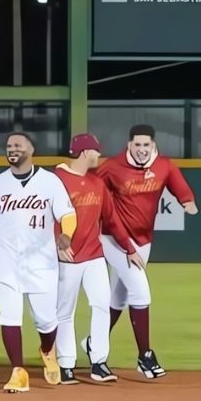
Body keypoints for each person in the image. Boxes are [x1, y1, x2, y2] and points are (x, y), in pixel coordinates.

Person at [94, 124, 198, 379]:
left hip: (144, 239)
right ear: (129, 145)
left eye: (146, 145)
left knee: (118, 298)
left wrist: (187, 200)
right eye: (137, 145)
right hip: (113, 238)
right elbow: (93, 189)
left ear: (153, 145)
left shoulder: (163, 165)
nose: (141, 149)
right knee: (140, 292)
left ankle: (94, 343)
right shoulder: (112, 166)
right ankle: (145, 356)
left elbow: (179, 185)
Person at [0, 132, 76, 393]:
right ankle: (18, 372)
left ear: (31, 149)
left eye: (18, 145)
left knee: (46, 321)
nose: (13, 149)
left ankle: (46, 349)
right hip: (6, 261)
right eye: (9, 145)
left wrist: (66, 235)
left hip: (41, 262)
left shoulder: (50, 182)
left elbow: (68, 214)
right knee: (9, 316)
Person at [52, 133, 133, 384]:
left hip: (94, 256)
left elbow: (111, 220)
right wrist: (57, 242)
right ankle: (65, 364)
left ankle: (99, 362)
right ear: (86, 152)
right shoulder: (56, 180)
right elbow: (45, 215)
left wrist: (129, 248)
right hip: (67, 257)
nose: (99, 155)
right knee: (64, 312)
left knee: (101, 305)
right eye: (96, 151)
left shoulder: (97, 183)